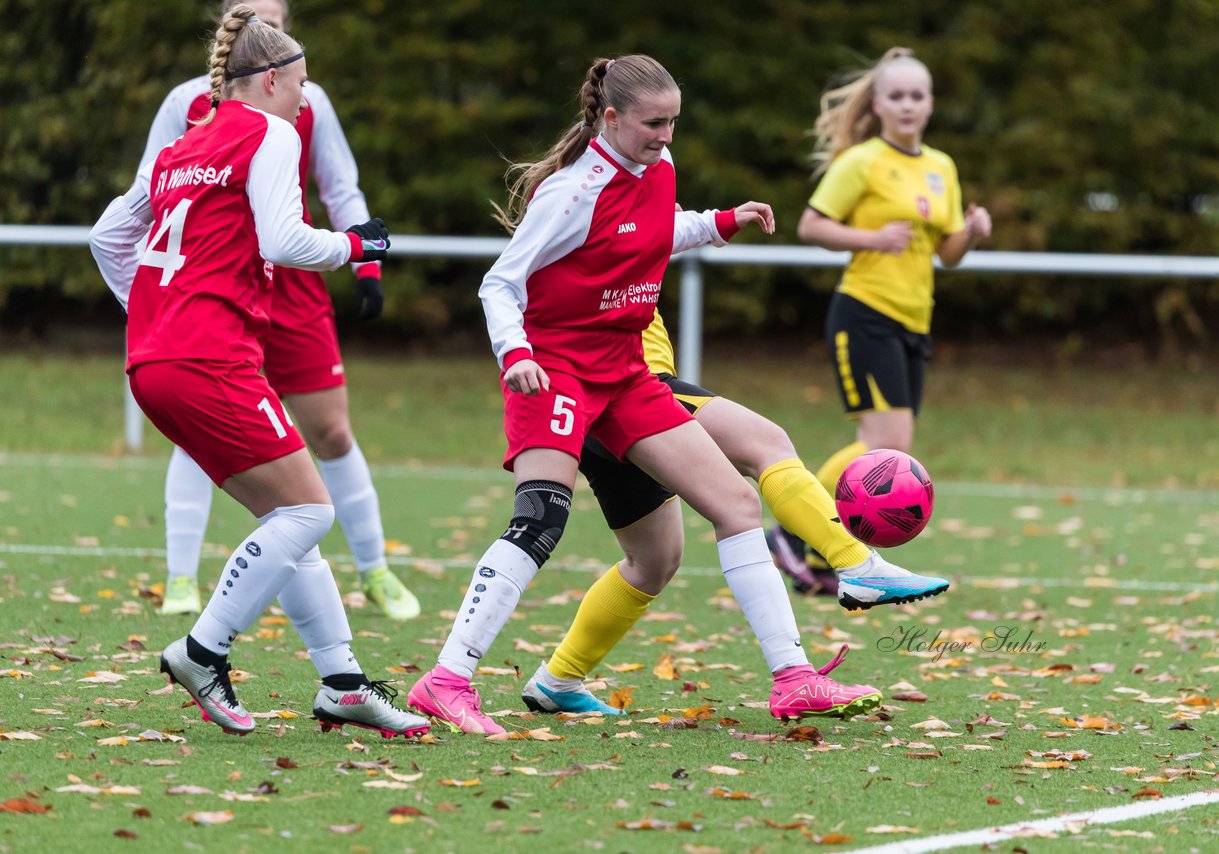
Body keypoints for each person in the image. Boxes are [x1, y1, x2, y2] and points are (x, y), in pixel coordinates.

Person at [406, 55, 881, 735]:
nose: (666, 136)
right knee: (540, 520)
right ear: (610, 119)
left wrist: (719, 222)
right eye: (653, 123)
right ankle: (446, 680)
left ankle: (794, 679)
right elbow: (499, 284)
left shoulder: (657, 171)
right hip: (556, 369)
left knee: (737, 504)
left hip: (624, 372)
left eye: (673, 123)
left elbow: (656, 233)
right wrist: (514, 355)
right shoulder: (570, 192)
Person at [89, 5, 430, 739]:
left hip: (155, 359)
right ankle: (203, 649)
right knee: (310, 512)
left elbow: (108, 233)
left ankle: (341, 681)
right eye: (301, 84)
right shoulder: (270, 132)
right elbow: (282, 240)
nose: (306, 100)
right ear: (270, 78)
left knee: (288, 516)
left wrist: (148, 309)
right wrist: (354, 246)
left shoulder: (186, 143)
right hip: (210, 357)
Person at [518, 296, 951, 715]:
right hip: (631, 388)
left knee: (653, 560)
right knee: (765, 448)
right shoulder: (598, 223)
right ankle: (852, 572)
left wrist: (720, 221)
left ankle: (557, 680)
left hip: (589, 399)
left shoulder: (580, 235)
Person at [141, 0, 419, 621]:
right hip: (219, 284)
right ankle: (182, 581)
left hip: (291, 280)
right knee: (224, 445)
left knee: (329, 435)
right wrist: (157, 291)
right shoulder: (188, 104)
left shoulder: (305, 99)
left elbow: (338, 183)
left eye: (276, 16)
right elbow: (143, 200)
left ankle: (372, 577)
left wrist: (365, 261)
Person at [778, 47, 991, 585]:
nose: (907, 105)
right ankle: (794, 530)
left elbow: (947, 253)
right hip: (864, 312)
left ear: (930, 104)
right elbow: (811, 225)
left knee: (891, 446)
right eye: (896, 96)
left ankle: (806, 544)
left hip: (914, 321)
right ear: (878, 104)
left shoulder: (941, 167)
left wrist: (973, 234)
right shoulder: (862, 161)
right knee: (885, 446)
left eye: (916, 96)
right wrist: (871, 237)